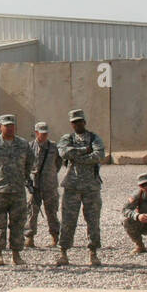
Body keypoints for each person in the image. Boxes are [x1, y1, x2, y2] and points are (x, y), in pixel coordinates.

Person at [0, 114, 34, 265]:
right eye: (6, 125)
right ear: (0, 127)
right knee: (0, 223)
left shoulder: (23, 144)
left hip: (17, 190)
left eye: (12, 125)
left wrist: (23, 176)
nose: (9, 128)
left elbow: (30, 162)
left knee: (18, 223)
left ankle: (16, 254)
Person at [55, 109, 105, 267]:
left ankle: (93, 253)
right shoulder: (67, 138)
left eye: (79, 121)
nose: (77, 124)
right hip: (72, 186)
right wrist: (84, 151)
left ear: (84, 121)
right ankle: (63, 252)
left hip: (91, 187)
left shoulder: (94, 138)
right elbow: (64, 153)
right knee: (68, 221)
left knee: (93, 221)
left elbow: (99, 155)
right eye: (74, 122)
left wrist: (77, 157)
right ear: (71, 124)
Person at [26, 122, 61, 248]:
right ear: (36, 133)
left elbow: (59, 162)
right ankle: (29, 237)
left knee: (51, 211)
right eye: (42, 132)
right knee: (32, 212)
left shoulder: (53, 146)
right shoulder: (30, 147)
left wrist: (51, 174)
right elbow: (26, 164)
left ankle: (55, 236)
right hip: (35, 185)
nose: (44, 135)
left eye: (46, 132)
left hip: (50, 185)